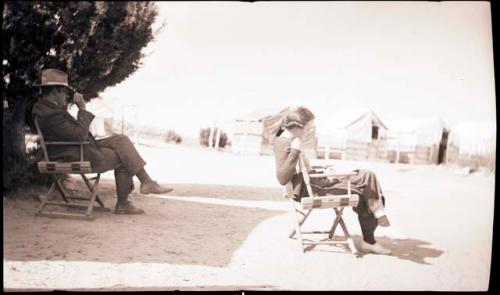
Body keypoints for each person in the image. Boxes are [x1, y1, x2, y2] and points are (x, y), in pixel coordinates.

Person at [32, 68, 173, 214]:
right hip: (72, 154)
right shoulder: (50, 114)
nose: (67, 96)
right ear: (55, 91)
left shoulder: (48, 109)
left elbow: (74, 134)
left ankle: (146, 181)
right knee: (123, 157)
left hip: (77, 148)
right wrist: (82, 109)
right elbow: (79, 135)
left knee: (121, 140)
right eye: (66, 92)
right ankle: (124, 202)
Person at [273, 106, 405, 255]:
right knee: (364, 192)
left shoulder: (292, 139)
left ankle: (379, 213)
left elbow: (303, 169)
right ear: (297, 126)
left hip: (316, 181)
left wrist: (325, 173)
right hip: (310, 190)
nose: (310, 131)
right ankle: (370, 240)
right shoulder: (283, 143)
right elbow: (282, 178)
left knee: (367, 175)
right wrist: (295, 151)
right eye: (308, 128)